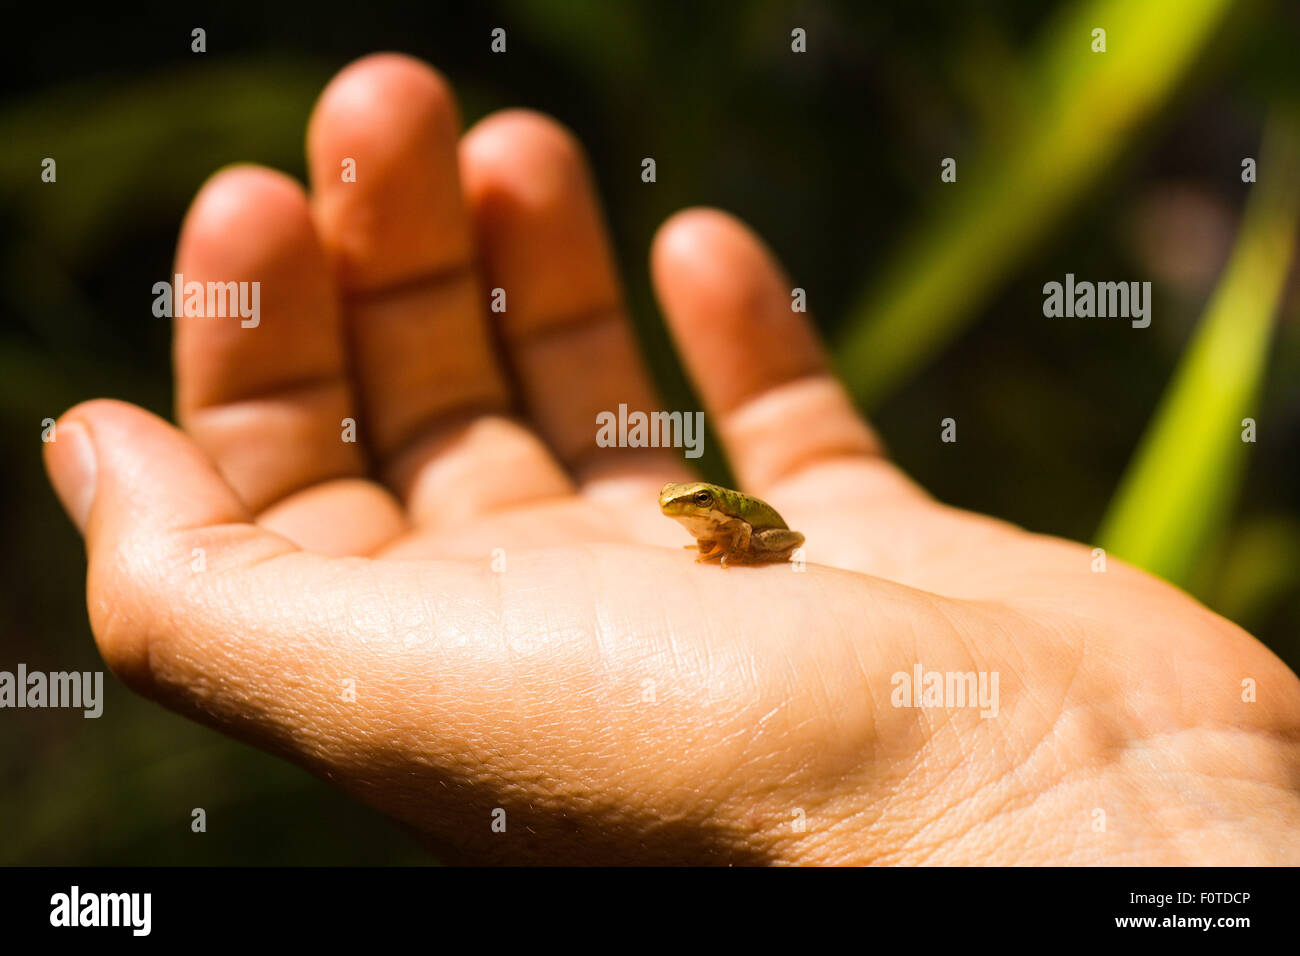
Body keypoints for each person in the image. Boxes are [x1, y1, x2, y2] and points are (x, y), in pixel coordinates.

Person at [43, 53, 1300, 865]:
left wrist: (1097, 790)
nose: (688, 510)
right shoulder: (697, 515)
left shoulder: (737, 519)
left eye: (691, 500)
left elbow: (762, 537)